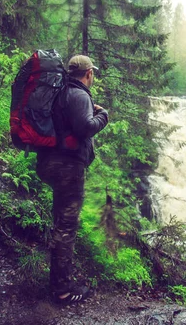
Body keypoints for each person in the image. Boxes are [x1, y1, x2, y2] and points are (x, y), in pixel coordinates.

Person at [36, 54, 109, 304]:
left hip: (49, 162)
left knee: (61, 222)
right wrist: (104, 116)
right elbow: (85, 128)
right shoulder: (78, 95)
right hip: (67, 166)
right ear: (89, 73)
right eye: (93, 73)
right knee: (66, 227)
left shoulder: (60, 92)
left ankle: (58, 280)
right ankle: (63, 290)